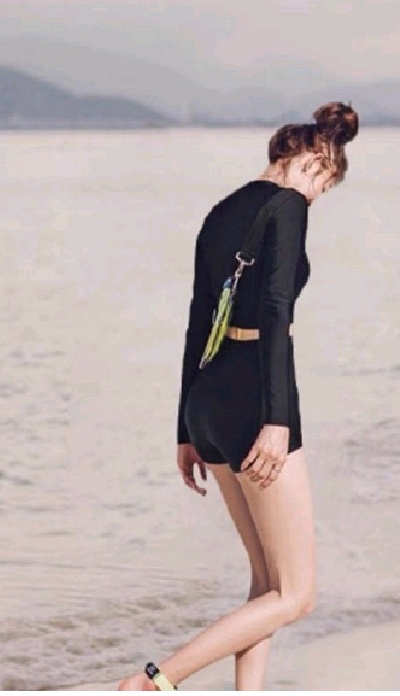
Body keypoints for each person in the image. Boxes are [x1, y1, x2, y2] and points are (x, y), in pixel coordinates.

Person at [118, 101, 359, 691]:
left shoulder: (220, 210)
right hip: (255, 400)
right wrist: (277, 420)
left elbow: (198, 319)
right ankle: (151, 683)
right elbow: (275, 312)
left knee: (266, 582)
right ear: (310, 159)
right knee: (297, 595)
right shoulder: (288, 206)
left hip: (208, 401)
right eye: (325, 180)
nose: (319, 194)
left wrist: (184, 429)